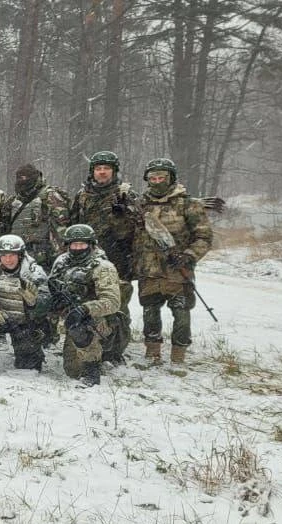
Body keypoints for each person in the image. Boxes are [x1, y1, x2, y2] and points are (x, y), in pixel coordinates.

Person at [132, 158, 213, 366]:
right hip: (149, 270)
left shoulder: (188, 204)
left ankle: (178, 355)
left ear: (171, 178)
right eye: (153, 178)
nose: (157, 182)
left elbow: (203, 237)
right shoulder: (140, 205)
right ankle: (152, 353)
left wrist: (189, 256)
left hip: (178, 270)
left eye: (162, 178)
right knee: (150, 313)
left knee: (181, 313)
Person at [69, 151, 137, 364]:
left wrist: (121, 216)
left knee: (117, 306)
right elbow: (73, 225)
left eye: (106, 168)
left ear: (114, 171)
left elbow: (135, 231)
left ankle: (115, 351)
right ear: (93, 172)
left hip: (117, 259)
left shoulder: (125, 194)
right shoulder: (83, 195)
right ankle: (91, 342)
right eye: (98, 168)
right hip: (86, 259)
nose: (102, 172)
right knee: (89, 302)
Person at [48, 224, 122, 388]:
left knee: (80, 329)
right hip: (69, 315)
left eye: (82, 244)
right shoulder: (61, 262)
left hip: (95, 319)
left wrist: (85, 309)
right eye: (74, 245)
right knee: (72, 370)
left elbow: (112, 302)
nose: (77, 248)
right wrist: (53, 301)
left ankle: (92, 372)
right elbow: (51, 284)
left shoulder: (103, 267)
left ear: (91, 244)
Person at [0, 234, 50, 374]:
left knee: (28, 368)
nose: (8, 260)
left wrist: (34, 303)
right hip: (2, 317)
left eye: (12, 255)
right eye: (4, 255)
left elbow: (47, 302)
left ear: (20, 255)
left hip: (26, 322)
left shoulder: (35, 273)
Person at [8, 164, 69, 271]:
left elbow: (61, 230)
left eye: (27, 177)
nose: (24, 181)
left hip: (45, 257)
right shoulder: (14, 201)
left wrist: (61, 257)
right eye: (20, 178)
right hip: (19, 257)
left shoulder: (50, 196)